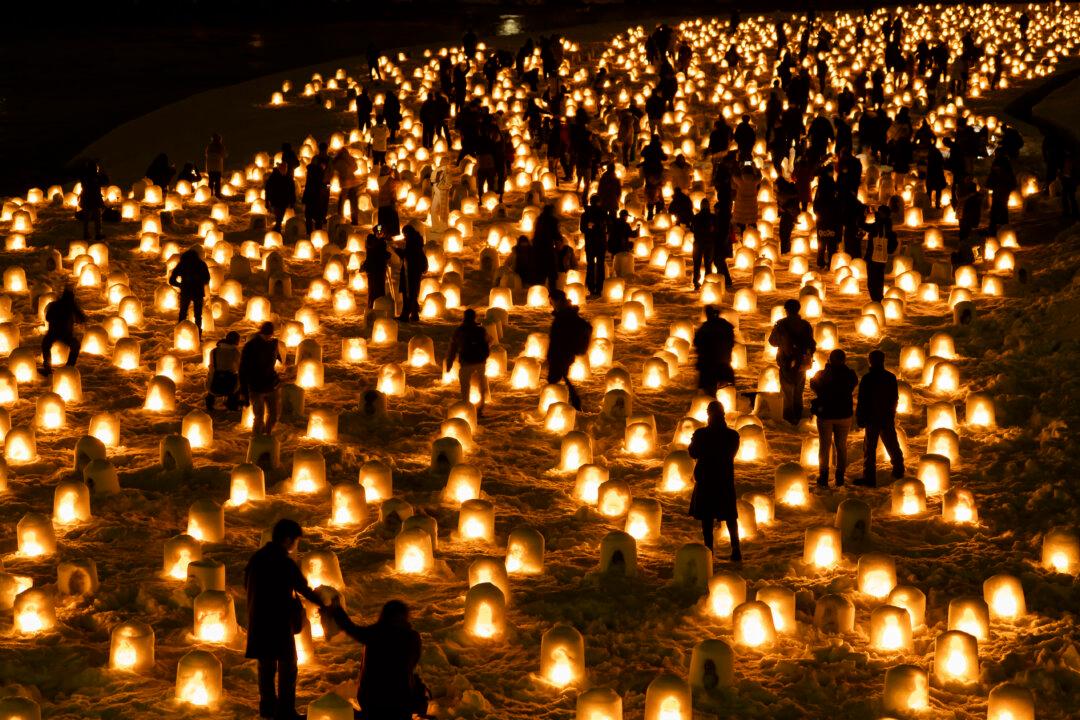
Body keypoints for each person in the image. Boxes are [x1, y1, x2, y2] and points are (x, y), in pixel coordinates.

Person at [244, 519, 326, 720]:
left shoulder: (257, 558)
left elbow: (246, 584)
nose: (295, 545)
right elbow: (303, 588)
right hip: (279, 623)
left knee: (266, 667)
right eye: (296, 541)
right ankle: (286, 711)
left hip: (259, 621)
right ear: (288, 539)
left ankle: (268, 709)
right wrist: (323, 603)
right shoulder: (284, 562)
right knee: (288, 666)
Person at [326, 599, 423, 720]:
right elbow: (413, 662)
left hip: (372, 699)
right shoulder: (412, 637)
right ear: (405, 616)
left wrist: (336, 610)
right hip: (401, 700)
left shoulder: (374, 633)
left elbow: (351, 628)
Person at [687, 401, 741, 561]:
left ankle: (709, 550)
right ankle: (736, 548)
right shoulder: (732, 435)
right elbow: (731, 454)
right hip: (724, 480)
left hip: (706, 480)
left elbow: (693, 453)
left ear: (708, 415)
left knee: (707, 518)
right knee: (730, 517)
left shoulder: (701, 434)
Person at [854, 350, 905, 487]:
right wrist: (891, 413)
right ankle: (899, 470)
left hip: (872, 418)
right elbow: (894, 398)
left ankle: (869, 478)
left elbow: (862, 400)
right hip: (886, 417)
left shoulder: (867, 378)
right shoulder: (890, 377)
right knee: (892, 444)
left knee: (870, 449)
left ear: (870, 361)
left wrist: (860, 417)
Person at [809, 349, 859, 488]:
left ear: (830, 359)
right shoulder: (850, 375)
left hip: (826, 415)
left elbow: (813, 384)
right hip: (844, 415)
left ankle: (823, 477)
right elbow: (852, 383)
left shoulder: (823, 374)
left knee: (824, 446)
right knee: (841, 446)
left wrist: (827, 368)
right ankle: (840, 477)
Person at [768, 299, 816, 425]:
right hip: (802, 362)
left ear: (786, 310)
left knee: (787, 390)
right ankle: (798, 413)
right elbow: (811, 343)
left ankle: (789, 416)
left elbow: (772, 341)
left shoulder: (781, 325)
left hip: (786, 361)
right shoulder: (805, 325)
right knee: (799, 390)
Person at [547, 290, 591, 411]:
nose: (551, 304)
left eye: (552, 302)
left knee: (555, 380)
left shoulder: (565, 316)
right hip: (560, 353)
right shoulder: (564, 314)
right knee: (559, 379)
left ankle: (570, 405)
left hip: (562, 353)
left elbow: (562, 336)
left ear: (558, 301)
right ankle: (572, 403)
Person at [445, 309, 492, 416]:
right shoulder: (480, 330)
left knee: (465, 387)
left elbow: (453, 347)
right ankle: (480, 408)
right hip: (480, 362)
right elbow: (490, 340)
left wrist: (449, 363)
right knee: (481, 384)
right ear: (474, 317)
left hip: (466, 362)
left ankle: (467, 406)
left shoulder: (460, 330)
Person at [240, 322, 283, 435]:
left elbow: (277, 358)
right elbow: (243, 369)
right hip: (256, 387)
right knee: (259, 417)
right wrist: (244, 391)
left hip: (271, 385)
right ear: (261, 333)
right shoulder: (251, 346)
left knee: (274, 415)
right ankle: (257, 440)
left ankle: (266, 435)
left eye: (270, 335)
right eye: (266, 335)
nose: (268, 337)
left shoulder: (273, 344)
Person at [41, 286, 86, 376]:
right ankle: (69, 367)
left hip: (57, 332)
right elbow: (82, 319)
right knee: (75, 346)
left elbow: (47, 317)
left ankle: (49, 368)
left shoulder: (57, 305)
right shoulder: (70, 306)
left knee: (46, 345)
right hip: (63, 333)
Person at [694, 305, 735, 396]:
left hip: (710, 365)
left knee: (711, 391)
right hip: (722, 363)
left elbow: (698, 343)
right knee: (724, 389)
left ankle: (714, 405)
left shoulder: (706, 328)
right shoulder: (725, 327)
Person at [169, 246, 211, 335]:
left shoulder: (183, 264)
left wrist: (180, 285)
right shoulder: (201, 264)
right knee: (197, 315)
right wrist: (198, 281)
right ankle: (198, 335)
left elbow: (172, 280)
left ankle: (180, 333)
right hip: (197, 292)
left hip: (186, 291)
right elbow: (207, 279)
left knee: (183, 314)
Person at [864, 205, 898, 303]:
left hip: (873, 256)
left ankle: (876, 299)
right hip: (881, 257)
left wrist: (863, 215)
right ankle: (878, 298)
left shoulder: (878, 225)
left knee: (872, 280)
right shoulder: (887, 225)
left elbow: (863, 225)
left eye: (880, 212)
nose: (878, 213)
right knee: (878, 279)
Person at [395, 224, 428, 322]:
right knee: (413, 293)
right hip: (415, 271)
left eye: (404, 234)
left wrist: (397, 250)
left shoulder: (412, 242)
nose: (404, 236)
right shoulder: (417, 241)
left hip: (410, 272)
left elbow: (408, 255)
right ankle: (414, 314)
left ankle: (405, 314)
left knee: (408, 292)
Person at [205, 331, 241, 412]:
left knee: (214, 376)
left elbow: (211, 367)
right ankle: (232, 404)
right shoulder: (235, 353)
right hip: (230, 386)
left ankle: (210, 402)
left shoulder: (214, 351)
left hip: (214, 384)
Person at [580, 195, 608, 297]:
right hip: (595, 243)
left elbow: (583, 229)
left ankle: (596, 287)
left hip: (594, 243)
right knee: (596, 266)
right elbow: (583, 228)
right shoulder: (588, 214)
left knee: (594, 266)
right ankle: (595, 287)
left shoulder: (599, 213)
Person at [303, 142, 332, 234]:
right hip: (324, 184)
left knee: (323, 200)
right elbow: (330, 172)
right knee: (323, 201)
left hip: (321, 184)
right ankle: (321, 218)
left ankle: (319, 219)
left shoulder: (316, 158)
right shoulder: (328, 159)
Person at [77, 159, 107, 241]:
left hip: (86, 199)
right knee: (97, 217)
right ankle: (97, 233)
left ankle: (86, 233)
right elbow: (105, 181)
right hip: (94, 199)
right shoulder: (95, 178)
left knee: (87, 217)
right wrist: (102, 173)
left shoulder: (84, 177)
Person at [265, 162, 296, 233]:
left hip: (284, 200)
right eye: (283, 168)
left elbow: (292, 190)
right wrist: (267, 200)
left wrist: (292, 201)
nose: (284, 170)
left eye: (285, 168)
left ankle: (277, 227)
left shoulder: (288, 177)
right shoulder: (274, 176)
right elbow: (268, 188)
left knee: (280, 215)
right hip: (276, 199)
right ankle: (277, 228)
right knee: (279, 215)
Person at [332, 147, 360, 225]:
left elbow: (334, 169)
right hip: (352, 183)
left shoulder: (338, 162)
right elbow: (355, 168)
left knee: (342, 202)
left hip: (345, 184)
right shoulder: (350, 159)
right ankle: (354, 220)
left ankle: (340, 218)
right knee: (353, 203)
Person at [363, 230, 391, 309]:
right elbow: (381, 255)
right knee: (378, 290)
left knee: (372, 290)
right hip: (378, 270)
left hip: (373, 271)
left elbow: (372, 256)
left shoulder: (371, 244)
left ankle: (372, 305)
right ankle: (377, 306)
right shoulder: (379, 244)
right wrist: (387, 254)